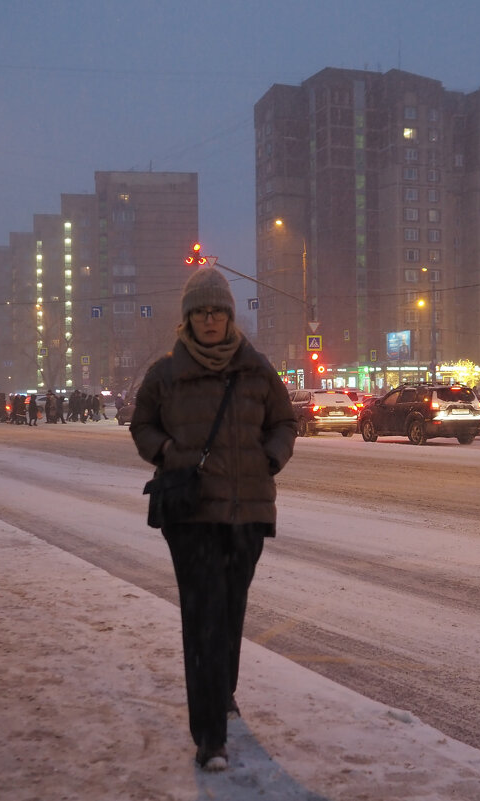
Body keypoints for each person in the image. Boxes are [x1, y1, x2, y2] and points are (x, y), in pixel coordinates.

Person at [130, 268, 296, 772]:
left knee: (230, 612)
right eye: (200, 311)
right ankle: (210, 737)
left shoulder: (257, 369)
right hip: (193, 516)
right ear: (188, 319)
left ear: (229, 316)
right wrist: (168, 452)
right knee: (202, 617)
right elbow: (141, 424)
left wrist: (270, 457)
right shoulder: (166, 372)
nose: (209, 319)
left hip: (248, 514)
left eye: (217, 310)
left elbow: (285, 420)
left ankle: (222, 694)